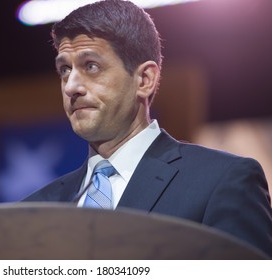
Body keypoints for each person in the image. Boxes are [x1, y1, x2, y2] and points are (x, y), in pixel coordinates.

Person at [23, 0, 272, 257]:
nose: (71, 86)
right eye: (64, 69)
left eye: (91, 66)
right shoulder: (34, 209)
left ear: (144, 80)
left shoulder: (222, 182)